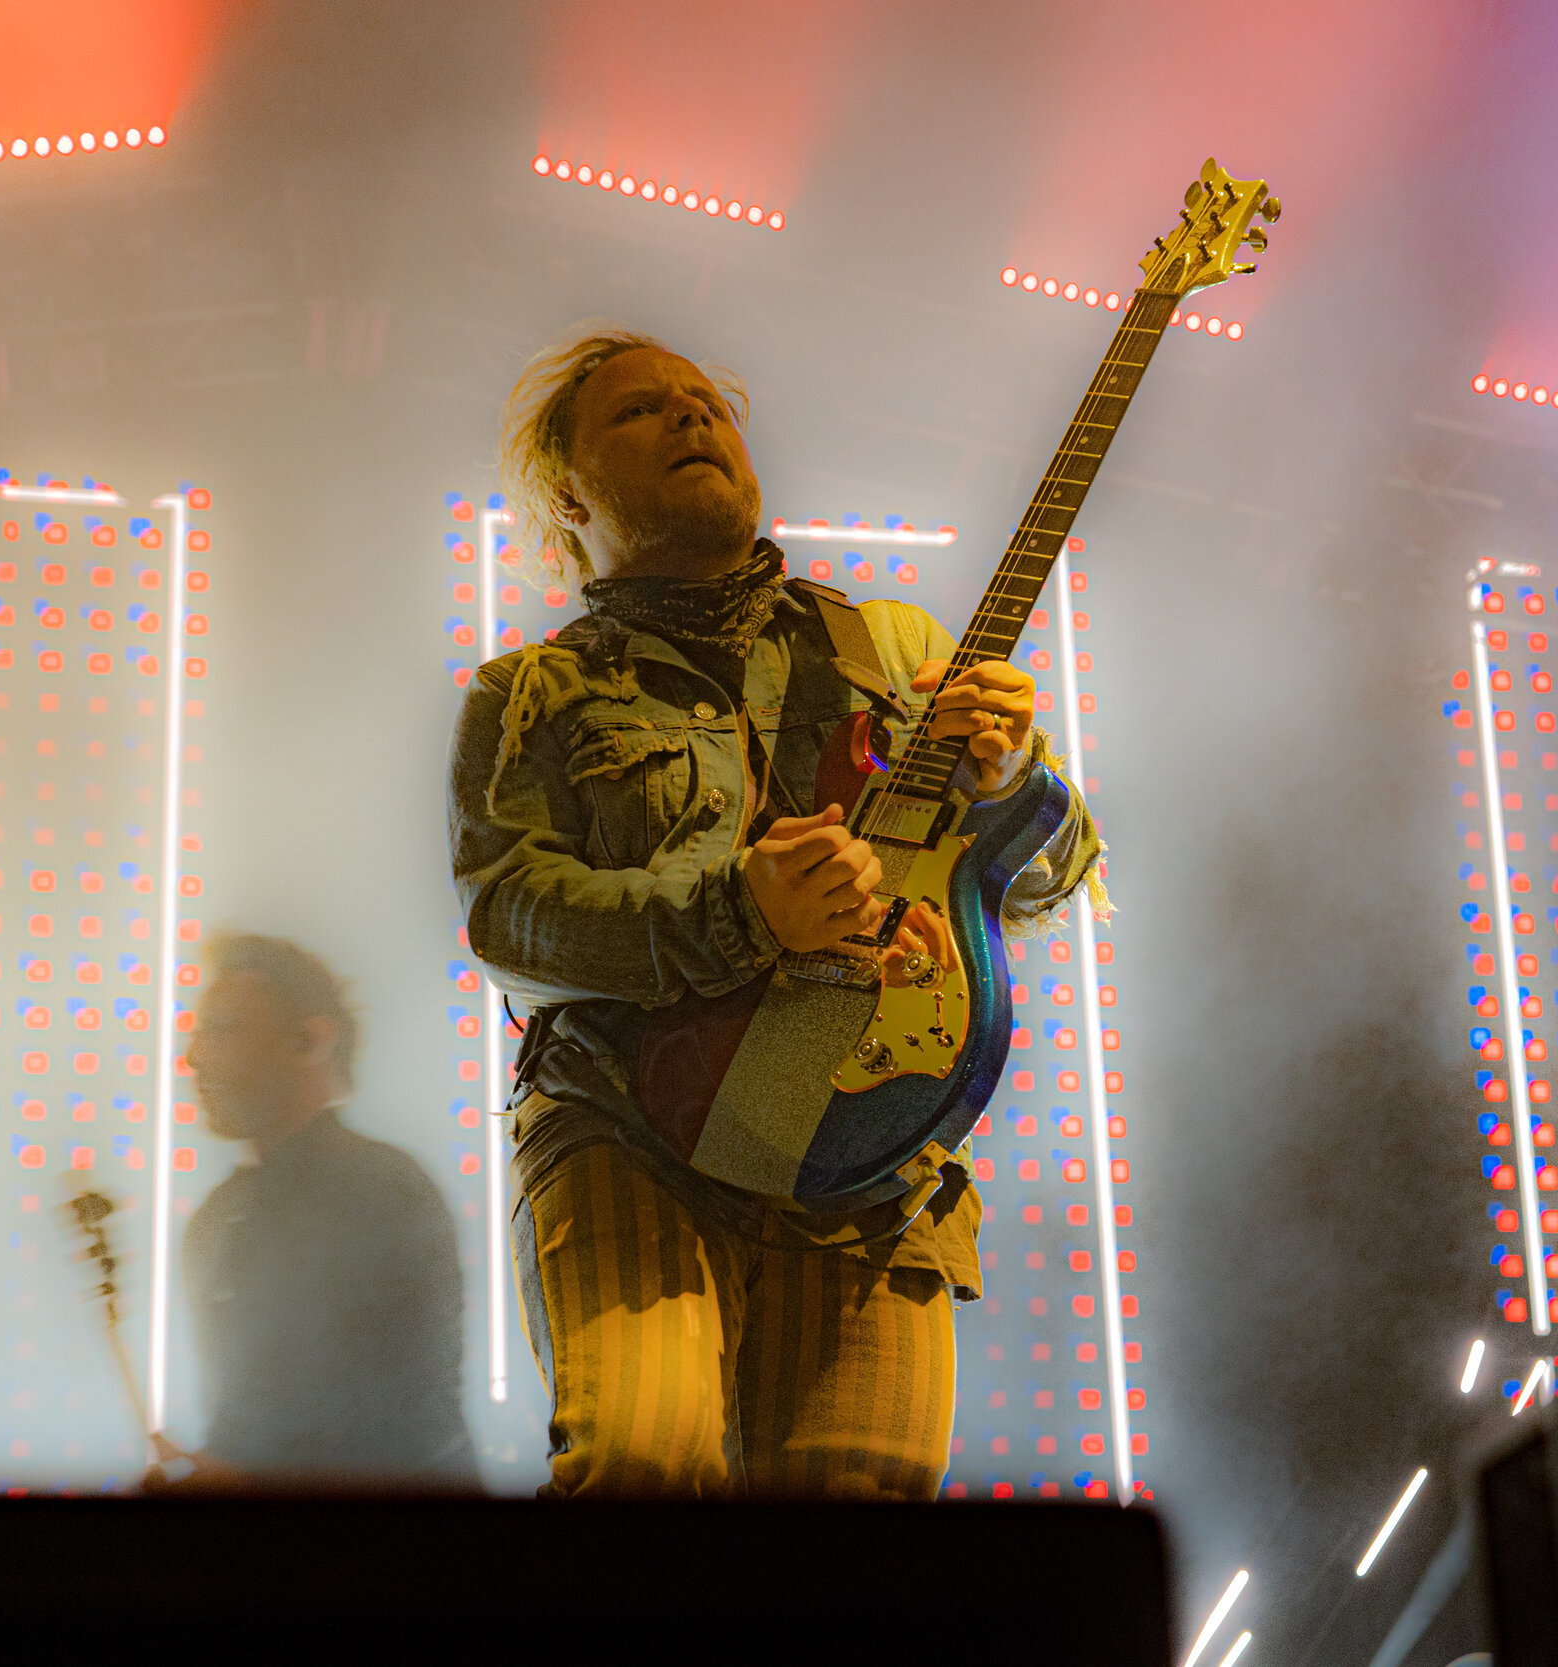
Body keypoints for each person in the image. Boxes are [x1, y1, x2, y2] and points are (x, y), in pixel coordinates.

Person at [448, 326, 1101, 1499]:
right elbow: (507, 917)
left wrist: (1012, 779)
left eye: (707, 401)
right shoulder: (530, 693)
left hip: (872, 1158)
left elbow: (1052, 879)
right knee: (641, 1466)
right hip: (629, 1126)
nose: (692, 417)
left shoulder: (894, 649)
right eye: (642, 411)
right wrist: (740, 911)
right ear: (565, 489)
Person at [178, 932, 479, 1488]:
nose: (193, 1056)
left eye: (222, 1027)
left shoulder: (386, 1191)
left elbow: (410, 1433)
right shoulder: (213, 1223)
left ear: (309, 1041)